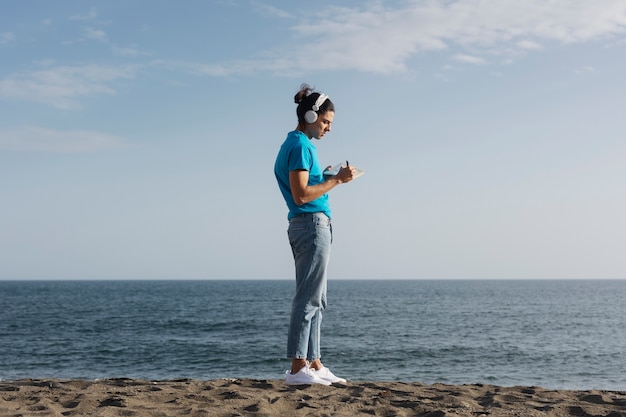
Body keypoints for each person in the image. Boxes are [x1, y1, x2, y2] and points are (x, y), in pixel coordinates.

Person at [274, 84, 356, 385]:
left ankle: (315, 363)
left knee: (316, 298)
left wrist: (328, 176)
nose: (328, 128)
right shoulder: (300, 146)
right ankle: (297, 369)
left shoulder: (297, 145)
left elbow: (306, 186)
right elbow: (301, 195)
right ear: (310, 115)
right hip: (310, 225)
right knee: (308, 298)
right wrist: (336, 181)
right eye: (325, 122)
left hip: (311, 226)